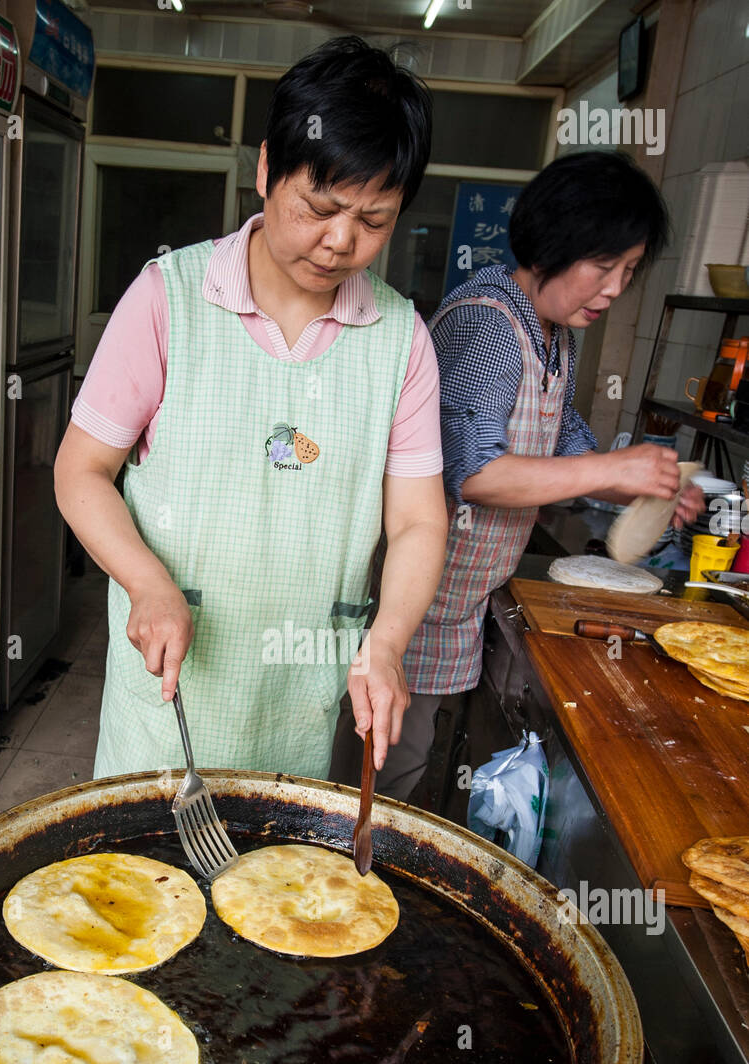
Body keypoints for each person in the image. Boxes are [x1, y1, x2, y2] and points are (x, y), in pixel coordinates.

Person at [54, 37, 448, 782]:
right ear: (267, 168)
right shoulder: (169, 298)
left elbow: (418, 520)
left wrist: (388, 643)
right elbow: (81, 471)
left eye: (375, 221)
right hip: (167, 710)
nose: (340, 243)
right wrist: (145, 580)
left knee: (274, 888)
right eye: (320, 208)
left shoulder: (402, 340)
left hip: (301, 709)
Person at [330, 150, 705, 801]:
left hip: (457, 605)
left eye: (630, 271)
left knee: (405, 770)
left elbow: (566, 443)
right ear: (553, 245)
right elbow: (475, 473)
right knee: (375, 776)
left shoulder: (552, 335)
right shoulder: (489, 324)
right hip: (409, 605)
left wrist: (643, 484)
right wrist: (614, 466)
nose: (614, 288)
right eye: (603, 265)